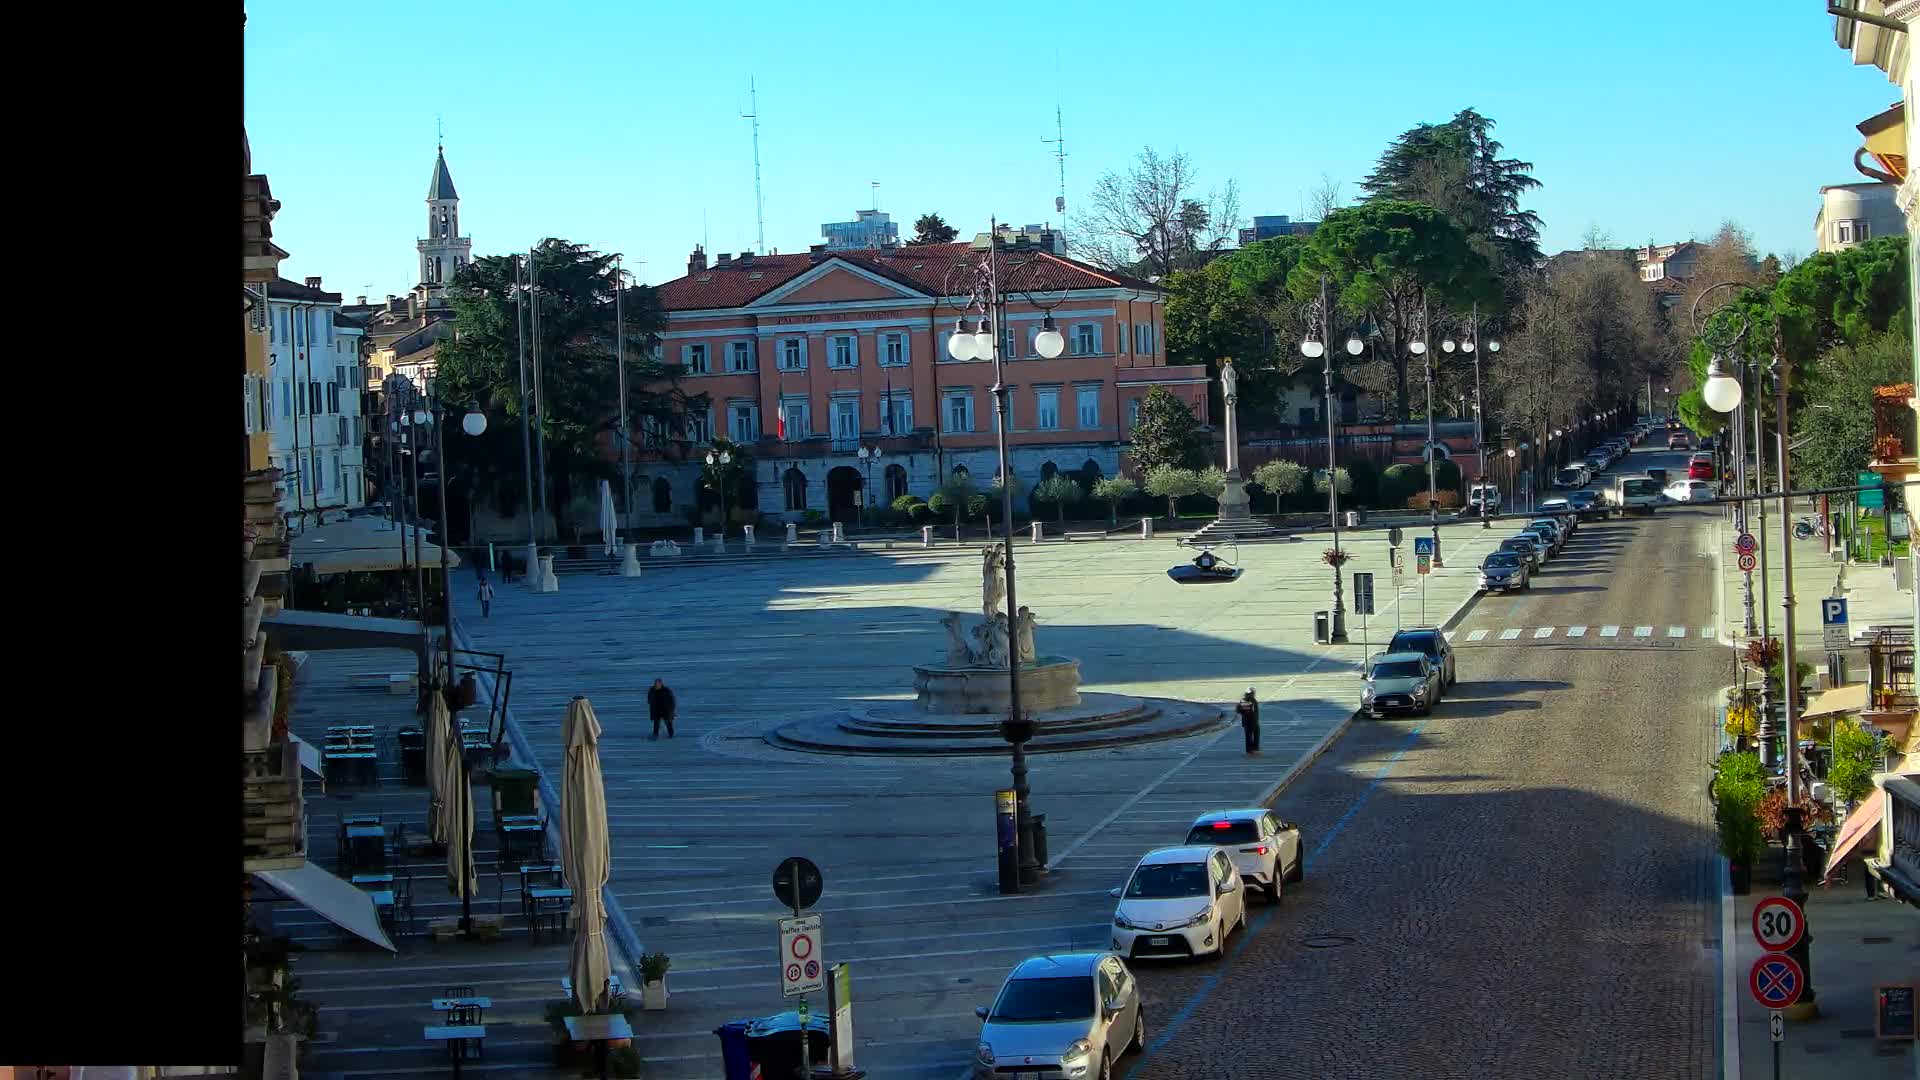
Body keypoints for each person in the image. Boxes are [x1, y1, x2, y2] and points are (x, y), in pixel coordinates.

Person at [1236, 688, 1260, 754]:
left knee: (1256, 734)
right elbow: (1239, 710)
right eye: (1253, 693)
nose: (1254, 694)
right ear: (1250, 693)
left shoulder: (1253, 700)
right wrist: (1245, 712)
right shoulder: (1245, 700)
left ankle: (1254, 748)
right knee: (1249, 736)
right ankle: (1250, 750)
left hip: (1254, 720)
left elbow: (1238, 710)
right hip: (1248, 721)